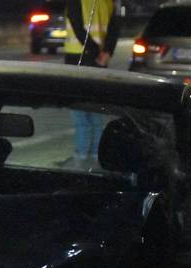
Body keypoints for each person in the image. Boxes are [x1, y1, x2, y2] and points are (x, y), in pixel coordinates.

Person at [63, 0, 117, 167]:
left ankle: (80, 157)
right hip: (99, 62)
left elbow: (79, 29)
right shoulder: (108, 2)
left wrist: (95, 52)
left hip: (77, 59)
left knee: (80, 114)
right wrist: (106, 52)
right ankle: (96, 157)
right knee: (96, 113)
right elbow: (115, 28)